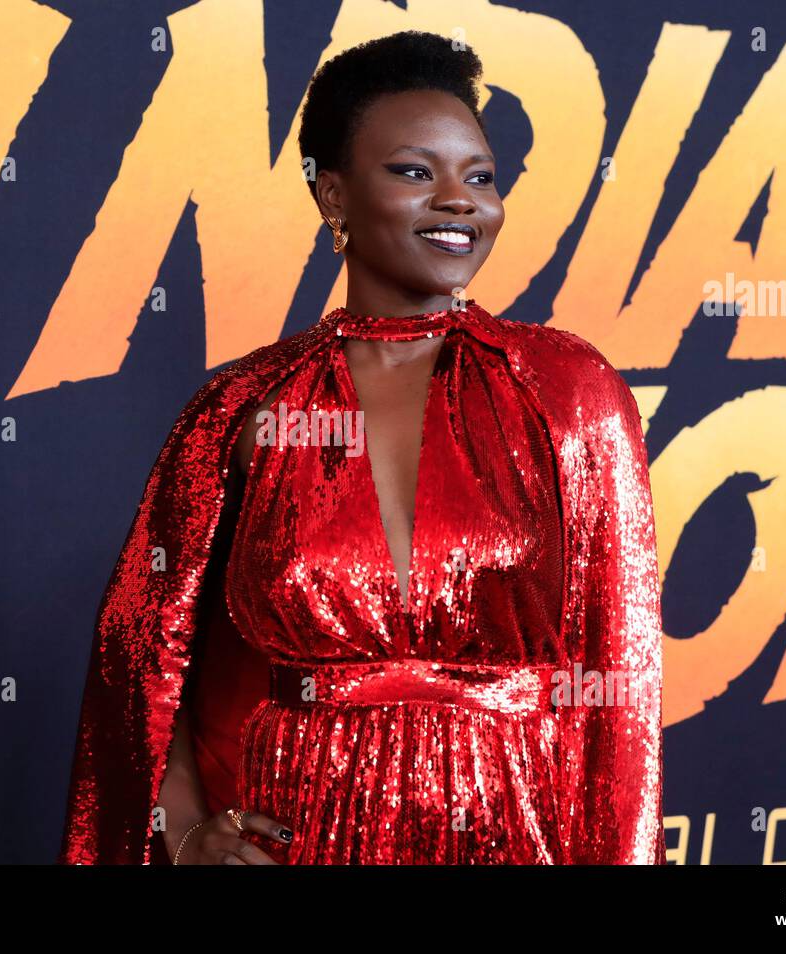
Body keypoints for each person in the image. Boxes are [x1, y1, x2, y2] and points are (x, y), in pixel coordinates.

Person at [59, 30, 665, 865]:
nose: (460, 201)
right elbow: (141, 651)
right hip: (302, 827)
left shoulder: (567, 388)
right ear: (333, 197)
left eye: (480, 177)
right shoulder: (245, 407)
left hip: (511, 826)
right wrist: (186, 829)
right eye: (416, 172)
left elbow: (619, 677)